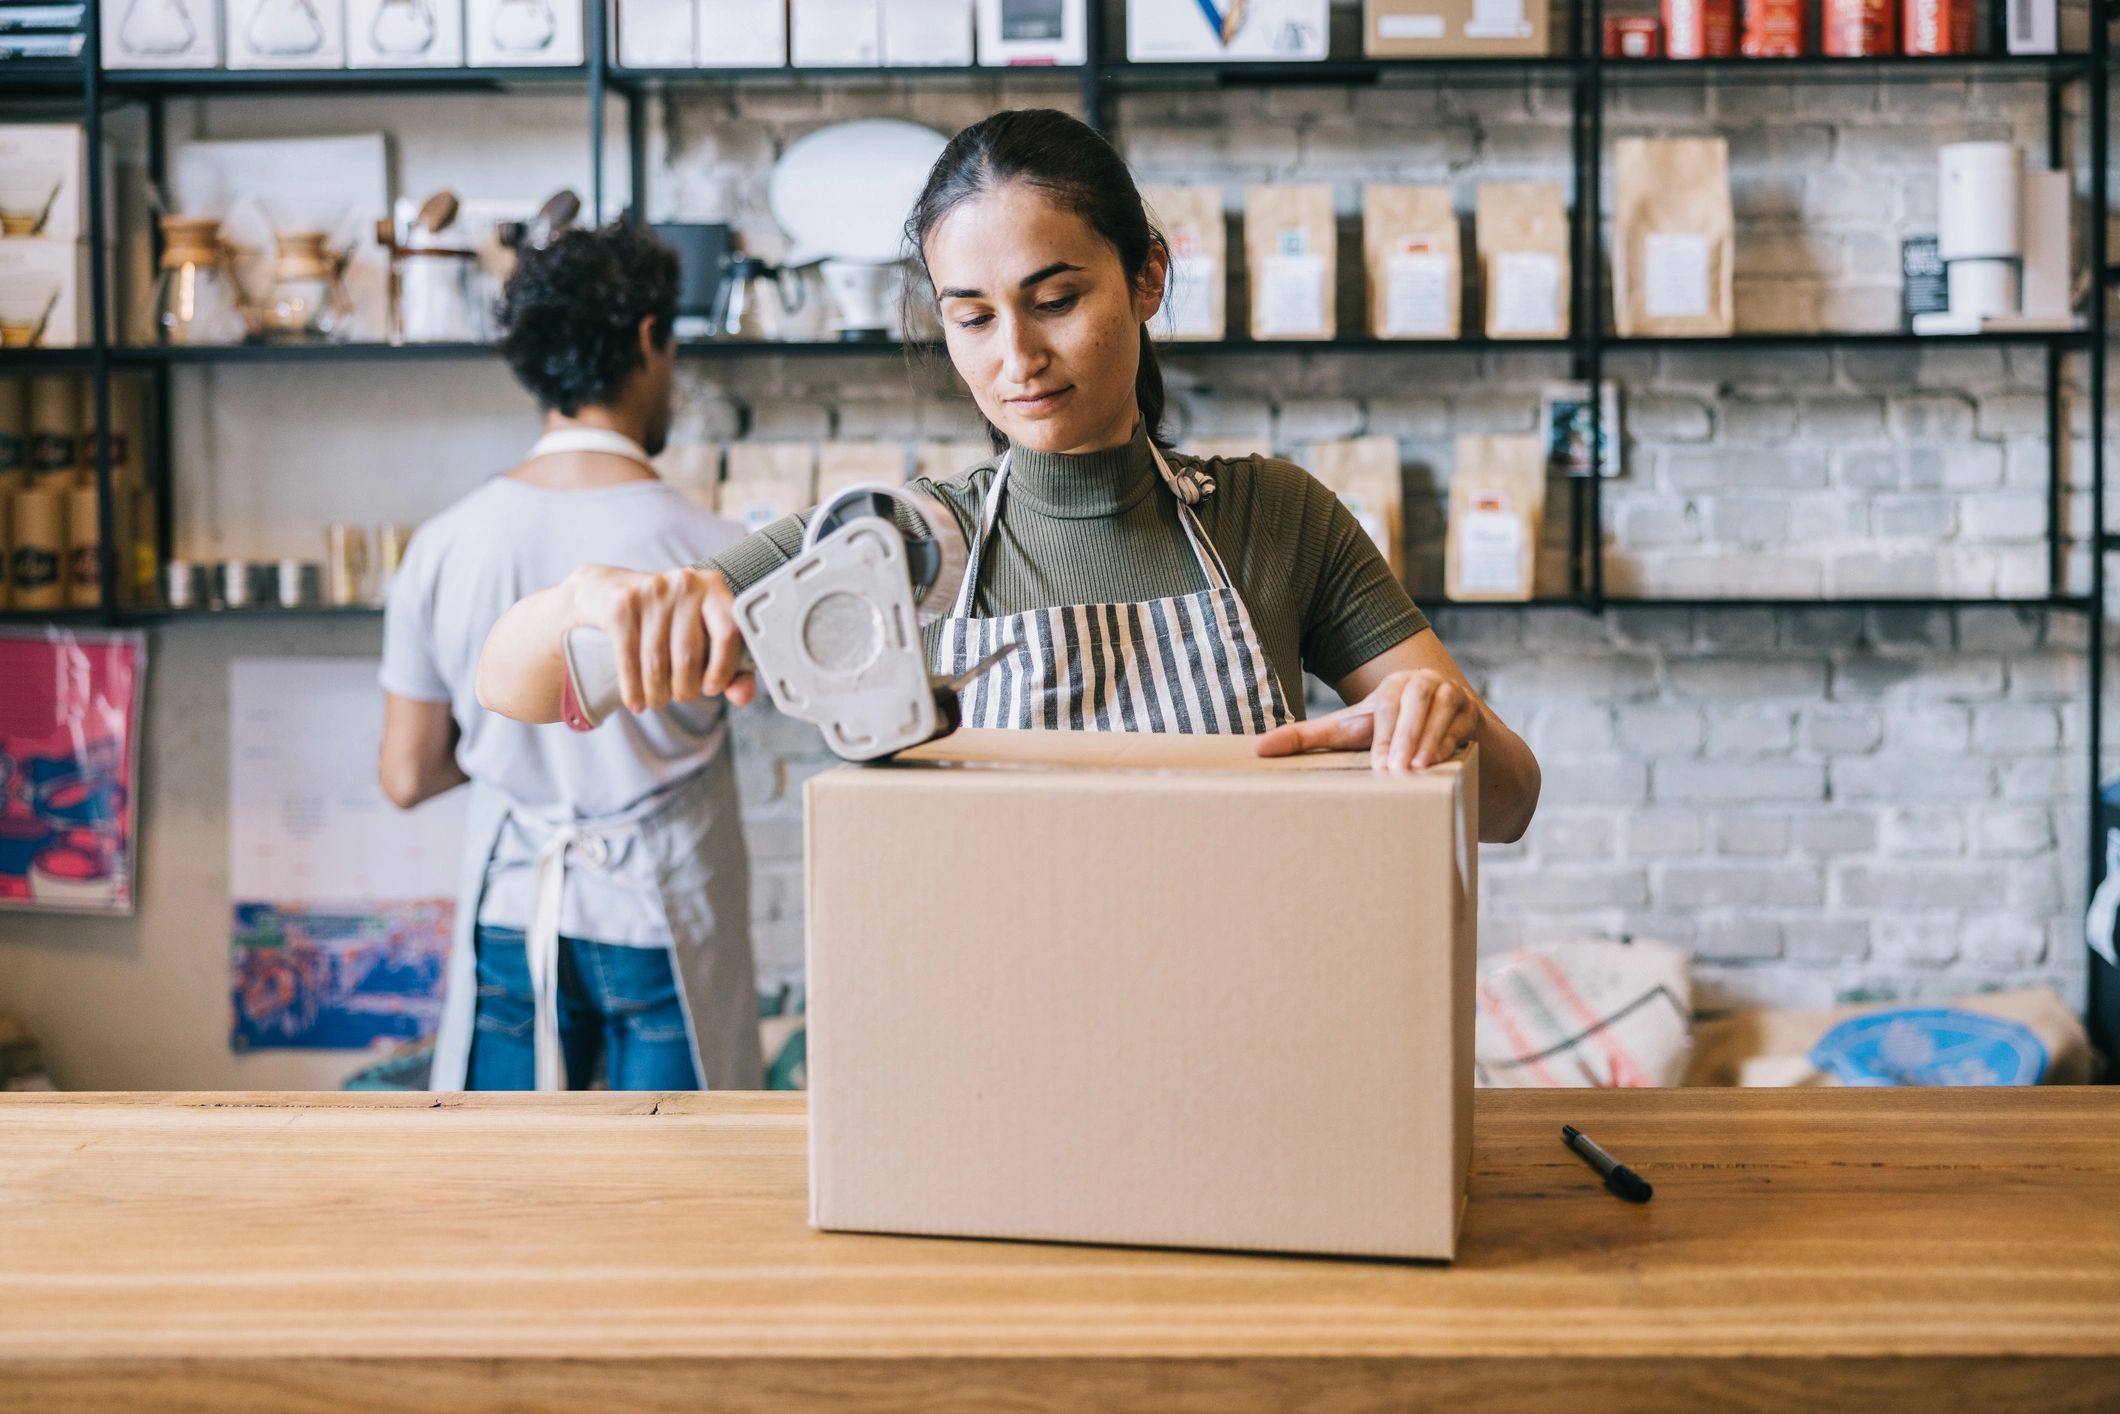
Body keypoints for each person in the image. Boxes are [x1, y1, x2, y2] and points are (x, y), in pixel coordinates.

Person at [474, 110, 1541, 843]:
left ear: (1147, 278)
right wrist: (593, 599)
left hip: (1246, 1023)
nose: (1015, 358)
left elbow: (1506, 804)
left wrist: (1434, 719)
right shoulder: (891, 545)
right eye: (971, 317)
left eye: (1056, 298)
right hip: (991, 1051)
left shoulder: (1276, 516)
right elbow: (516, 686)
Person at [378, 222, 761, 1093]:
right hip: (665, 919)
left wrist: (515, 751)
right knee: (678, 1203)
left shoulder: (443, 545)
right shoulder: (719, 550)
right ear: (646, 339)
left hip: (514, 915)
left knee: (511, 1200)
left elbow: (407, 774)